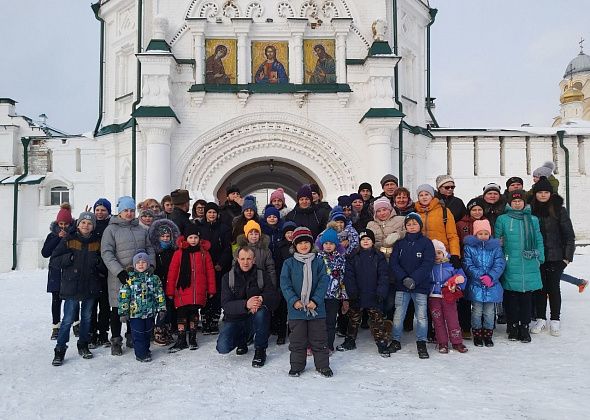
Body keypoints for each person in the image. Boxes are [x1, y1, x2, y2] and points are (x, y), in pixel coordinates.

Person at [101, 196, 155, 355]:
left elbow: (149, 248)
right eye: (126, 210)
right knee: (118, 309)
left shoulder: (140, 229)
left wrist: (151, 265)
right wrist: (119, 271)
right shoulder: (111, 230)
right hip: (119, 277)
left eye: (132, 210)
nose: (129, 213)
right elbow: (107, 253)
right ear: (120, 212)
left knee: (135, 306)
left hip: (139, 276)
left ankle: (132, 335)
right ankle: (116, 340)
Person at [51, 211, 106, 366]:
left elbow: (104, 262)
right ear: (78, 224)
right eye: (83, 222)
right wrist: (69, 258)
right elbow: (54, 259)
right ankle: (60, 349)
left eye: (89, 223)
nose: (86, 225)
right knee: (68, 319)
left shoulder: (97, 242)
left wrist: (98, 263)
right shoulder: (69, 239)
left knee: (87, 318)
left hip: (90, 284)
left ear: (93, 226)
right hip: (72, 285)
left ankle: (83, 344)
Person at [280, 227, 332, 377]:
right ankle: (297, 366)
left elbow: (324, 281)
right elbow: (285, 284)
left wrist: (315, 300)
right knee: (297, 341)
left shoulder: (319, 262)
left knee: (319, 339)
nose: (303, 246)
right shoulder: (288, 264)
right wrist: (293, 300)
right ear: (294, 245)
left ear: (311, 245)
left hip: (316, 309)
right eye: (300, 243)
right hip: (297, 310)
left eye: (306, 242)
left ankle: (322, 366)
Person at [495, 190, 544, 343]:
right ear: (510, 203)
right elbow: (498, 242)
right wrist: (501, 259)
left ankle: (524, 328)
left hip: (529, 262)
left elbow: (538, 239)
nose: (517, 203)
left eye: (520, 201)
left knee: (526, 299)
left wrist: (539, 257)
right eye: (514, 201)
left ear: (524, 203)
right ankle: (513, 326)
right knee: (511, 298)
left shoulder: (533, 220)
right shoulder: (502, 219)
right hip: (511, 263)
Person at [217, 246, 279, 368]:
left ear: (254, 260)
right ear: (237, 260)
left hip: (255, 316)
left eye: (249, 259)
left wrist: (261, 299)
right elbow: (226, 304)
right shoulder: (227, 278)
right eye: (243, 259)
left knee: (262, 313)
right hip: (235, 318)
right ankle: (242, 340)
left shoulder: (262, 275)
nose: (246, 262)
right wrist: (246, 304)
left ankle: (260, 350)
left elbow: (274, 296)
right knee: (222, 347)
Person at [530, 177, 575, 336]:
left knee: (554, 288)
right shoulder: (531, 209)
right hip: (537, 257)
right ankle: (541, 318)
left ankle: (555, 319)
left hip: (556, 257)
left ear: (551, 193)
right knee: (540, 289)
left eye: (546, 192)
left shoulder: (559, 210)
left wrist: (567, 257)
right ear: (535, 194)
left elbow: (569, 235)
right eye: (540, 192)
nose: (543, 195)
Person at [389, 213, 435, 359]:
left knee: (421, 316)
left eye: (415, 224)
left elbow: (428, 264)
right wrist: (403, 278)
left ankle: (421, 342)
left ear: (420, 225)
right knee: (398, 314)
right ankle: (395, 339)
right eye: (409, 224)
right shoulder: (400, 243)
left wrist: (414, 279)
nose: (412, 227)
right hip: (402, 286)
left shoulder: (426, 243)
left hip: (420, 286)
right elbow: (394, 263)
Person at [338, 230, 391, 357]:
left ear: (372, 241)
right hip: (358, 294)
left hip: (374, 294)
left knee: (377, 320)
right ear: (359, 242)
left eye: (368, 239)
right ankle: (350, 340)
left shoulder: (379, 256)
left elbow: (384, 276)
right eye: (363, 239)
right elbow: (349, 276)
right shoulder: (353, 256)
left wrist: (381, 292)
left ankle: (381, 343)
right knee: (354, 319)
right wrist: (352, 293)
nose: (365, 241)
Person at [166, 224, 216, 352]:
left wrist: (211, 289)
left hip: (198, 290)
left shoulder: (204, 254)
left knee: (194, 313)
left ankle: (193, 338)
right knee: (181, 314)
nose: (193, 240)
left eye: (195, 237)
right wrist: (170, 291)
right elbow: (172, 273)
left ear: (199, 238)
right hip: (182, 290)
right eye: (190, 237)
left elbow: (210, 272)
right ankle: (181, 339)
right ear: (185, 238)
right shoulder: (179, 253)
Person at [463, 219, 506, 347]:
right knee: (476, 311)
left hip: (491, 285)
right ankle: (477, 334)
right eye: (480, 233)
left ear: (490, 234)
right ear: (475, 234)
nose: (483, 236)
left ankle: (488, 335)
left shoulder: (495, 248)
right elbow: (467, 264)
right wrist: (480, 276)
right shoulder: (469, 248)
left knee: (489, 312)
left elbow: (500, 263)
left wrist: (491, 277)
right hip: (476, 285)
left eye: (485, 233)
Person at [118, 251, 166, 362]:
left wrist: (161, 308)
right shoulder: (129, 280)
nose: (141, 264)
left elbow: (159, 294)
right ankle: (140, 354)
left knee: (147, 332)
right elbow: (124, 296)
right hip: (135, 314)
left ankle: (146, 350)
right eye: (138, 262)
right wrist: (123, 312)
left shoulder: (154, 279)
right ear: (134, 265)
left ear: (148, 264)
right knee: (138, 334)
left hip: (149, 312)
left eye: (143, 262)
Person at [455, 196, 487, 339]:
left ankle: (482, 325)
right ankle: (465, 326)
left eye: (480, 209)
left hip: (484, 263)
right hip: (465, 262)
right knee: (465, 297)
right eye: (474, 209)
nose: (477, 212)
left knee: (482, 295)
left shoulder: (486, 223)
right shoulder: (461, 224)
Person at [42, 203, 75, 340]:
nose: (63, 227)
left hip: (70, 271)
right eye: (61, 223)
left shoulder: (73, 235)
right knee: (56, 300)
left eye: (66, 224)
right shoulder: (52, 236)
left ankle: (76, 323)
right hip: (55, 272)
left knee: (73, 298)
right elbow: (45, 252)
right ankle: (56, 325)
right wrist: (57, 237)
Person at [199, 202, 233, 335]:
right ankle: (205, 318)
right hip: (204, 266)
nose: (212, 215)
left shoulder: (224, 228)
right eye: (209, 212)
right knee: (205, 292)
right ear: (206, 214)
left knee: (217, 292)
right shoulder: (200, 227)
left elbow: (227, 248)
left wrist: (221, 263)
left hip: (219, 266)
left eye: (214, 212)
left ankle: (214, 319)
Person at [429, 239, 468, 354]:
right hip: (433, 296)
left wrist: (457, 283)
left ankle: (457, 342)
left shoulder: (451, 264)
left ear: (444, 253)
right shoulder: (428, 266)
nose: (436, 256)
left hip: (448, 296)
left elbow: (462, 277)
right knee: (438, 320)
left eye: (439, 253)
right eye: (434, 253)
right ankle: (442, 342)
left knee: (452, 319)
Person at [148, 218, 180, 345]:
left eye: (168, 236)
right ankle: (158, 330)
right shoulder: (155, 252)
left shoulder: (174, 251)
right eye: (163, 236)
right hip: (158, 283)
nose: (166, 238)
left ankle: (168, 329)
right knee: (160, 308)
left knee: (170, 307)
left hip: (171, 283)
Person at [315, 227, 348, 352]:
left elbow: (343, 279)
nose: (328, 246)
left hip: (334, 296)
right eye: (326, 243)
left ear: (336, 244)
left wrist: (344, 298)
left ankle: (328, 345)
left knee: (330, 322)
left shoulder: (340, 257)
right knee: (318, 322)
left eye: (331, 243)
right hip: (319, 295)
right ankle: (317, 345)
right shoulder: (317, 257)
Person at [415, 184, 461, 269]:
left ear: (432, 196)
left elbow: (452, 235)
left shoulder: (444, 211)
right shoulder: (416, 214)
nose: (424, 197)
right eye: (421, 195)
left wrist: (455, 254)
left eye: (427, 194)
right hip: (423, 256)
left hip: (442, 255)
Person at [89, 198, 112, 347]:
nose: (100, 213)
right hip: (91, 271)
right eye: (97, 210)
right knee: (90, 306)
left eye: (103, 210)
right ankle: (91, 334)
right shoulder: (90, 224)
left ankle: (103, 334)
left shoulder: (110, 226)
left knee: (104, 306)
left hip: (106, 271)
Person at [271, 221, 297, 344]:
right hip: (283, 281)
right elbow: (276, 265)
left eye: (292, 232)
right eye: (288, 232)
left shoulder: (300, 246)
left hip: (296, 282)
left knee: (294, 308)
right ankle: (281, 333)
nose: (290, 235)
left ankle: (293, 332)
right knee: (281, 310)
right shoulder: (279, 246)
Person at [235, 220, 277, 286]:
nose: (254, 236)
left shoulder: (265, 250)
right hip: (244, 283)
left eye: (256, 234)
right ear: (246, 235)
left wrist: (272, 285)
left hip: (261, 282)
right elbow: (234, 267)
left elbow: (270, 269)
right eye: (251, 234)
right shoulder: (240, 250)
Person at [366, 196, 405, 260]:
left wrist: (398, 235)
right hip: (378, 259)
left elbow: (409, 232)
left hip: (398, 258)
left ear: (390, 209)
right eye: (378, 211)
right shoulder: (371, 224)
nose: (382, 213)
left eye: (384, 210)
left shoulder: (401, 220)